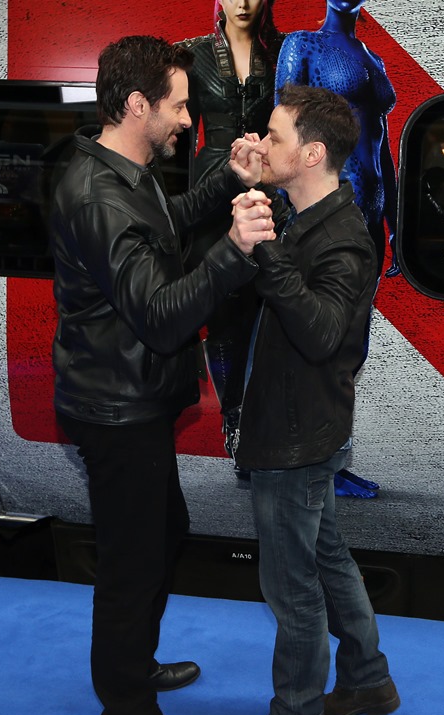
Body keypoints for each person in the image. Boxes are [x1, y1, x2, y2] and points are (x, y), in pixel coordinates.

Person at [51, 34, 274, 715]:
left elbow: (165, 224)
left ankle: (134, 666)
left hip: (132, 399)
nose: (186, 120)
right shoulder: (99, 196)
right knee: (133, 566)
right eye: (178, 106)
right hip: (116, 411)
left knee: (162, 533)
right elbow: (161, 314)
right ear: (137, 105)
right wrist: (234, 251)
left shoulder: (124, 172)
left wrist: (222, 181)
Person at [221, 84, 400, 715]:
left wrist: (265, 250)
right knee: (327, 559)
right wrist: (252, 201)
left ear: (313, 153)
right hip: (304, 428)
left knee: (291, 585)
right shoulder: (310, 218)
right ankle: (367, 680)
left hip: (295, 440)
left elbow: (322, 333)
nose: (262, 144)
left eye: (275, 136)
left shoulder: (342, 239)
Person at [276, 0, 399, 499]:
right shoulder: (303, 44)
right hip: (328, 213)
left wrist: (395, 221)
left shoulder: (373, 56)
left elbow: (381, 143)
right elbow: (283, 134)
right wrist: (291, 217)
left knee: (352, 345)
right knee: (320, 342)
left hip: (370, 211)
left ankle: (331, 458)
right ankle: (308, 459)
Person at [178, 0, 285, 457]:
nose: (242, 2)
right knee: (220, 313)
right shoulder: (190, 53)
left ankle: (257, 416)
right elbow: (178, 142)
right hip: (209, 191)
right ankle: (233, 417)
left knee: (264, 307)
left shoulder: (283, 52)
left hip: (266, 188)